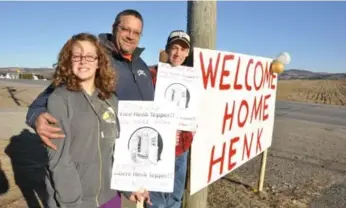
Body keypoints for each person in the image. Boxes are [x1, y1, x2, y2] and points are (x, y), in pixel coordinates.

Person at [25, 9, 154, 207]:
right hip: (78, 195)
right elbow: (43, 103)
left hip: (118, 180)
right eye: (125, 29)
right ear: (114, 28)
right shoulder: (89, 64)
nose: (130, 36)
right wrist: (37, 116)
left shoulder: (141, 67)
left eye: (136, 32)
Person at [148, 30, 194, 208]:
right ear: (167, 49)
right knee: (157, 201)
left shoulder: (191, 77)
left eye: (183, 49)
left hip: (182, 146)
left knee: (176, 197)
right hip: (160, 148)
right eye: (174, 48)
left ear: (187, 53)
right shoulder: (152, 74)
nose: (178, 53)